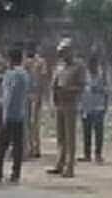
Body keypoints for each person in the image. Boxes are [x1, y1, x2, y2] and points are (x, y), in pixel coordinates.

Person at [0, 48, 30, 184]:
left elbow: (8, 95)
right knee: (17, 146)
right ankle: (15, 174)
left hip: (9, 114)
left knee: (1, 145)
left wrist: (4, 113)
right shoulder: (24, 74)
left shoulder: (11, 74)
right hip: (20, 113)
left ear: (10, 59)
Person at [48, 39, 85, 178]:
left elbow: (81, 86)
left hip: (70, 103)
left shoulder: (78, 66)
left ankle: (70, 167)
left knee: (70, 137)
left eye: (64, 52)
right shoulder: (59, 67)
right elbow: (53, 84)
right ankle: (59, 163)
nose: (62, 55)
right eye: (60, 53)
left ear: (71, 51)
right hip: (59, 103)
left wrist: (68, 90)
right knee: (60, 136)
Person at [80, 55, 108, 164]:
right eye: (90, 65)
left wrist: (99, 90)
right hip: (87, 107)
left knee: (98, 133)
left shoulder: (102, 75)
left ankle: (98, 154)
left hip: (98, 107)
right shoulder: (85, 75)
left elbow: (107, 90)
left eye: (93, 65)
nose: (92, 67)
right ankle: (86, 154)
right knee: (86, 132)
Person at [24, 42, 48, 158]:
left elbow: (43, 78)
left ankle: (36, 148)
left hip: (36, 93)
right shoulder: (24, 62)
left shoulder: (40, 62)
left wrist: (42, 93)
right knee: (26, 122)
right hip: (25, 94)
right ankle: (28, 147)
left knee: (34, 121)